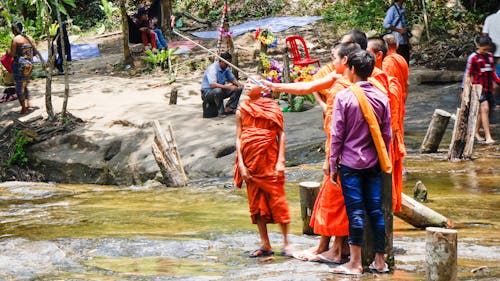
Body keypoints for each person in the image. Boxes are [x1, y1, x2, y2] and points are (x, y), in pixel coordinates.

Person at [329, 50, 391, 275]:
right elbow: (386, 135)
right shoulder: (382, 97)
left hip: (350, 164)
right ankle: (380, 261)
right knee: (375, 211)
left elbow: (337, 135)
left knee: (355, 211)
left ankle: (355, 263)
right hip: (374, 163)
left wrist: (332, 165)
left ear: (352, 69)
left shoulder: (344, 97)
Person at [234, 79, 291, 258]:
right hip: (250, 163)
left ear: (262, 88)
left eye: (253, 82)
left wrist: (281, 160)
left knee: (278, 201)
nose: (248, 85)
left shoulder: (272, 106)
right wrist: (241, 165)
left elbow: (281, 134)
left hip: (270, 160)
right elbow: (238, 138)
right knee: (256, 205)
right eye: (247, 82)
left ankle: (287, 243)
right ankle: (265, 243)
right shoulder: (241, 109)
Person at [367, 37, 405, 213]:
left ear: (379, 55)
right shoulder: (401, 59)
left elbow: (390, 91)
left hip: (391, 125)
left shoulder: (389, 68)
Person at [465, 36, 499, 144]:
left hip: (488, 87)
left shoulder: (489, 56)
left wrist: (498, 82)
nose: (485, 51)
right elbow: (468, 75)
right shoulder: (473, 58)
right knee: (485, 109)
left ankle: (475, 132)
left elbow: (492, 72)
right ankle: (488, 136)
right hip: (478, 88)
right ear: (478, 46)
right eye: (483, 49)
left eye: (487, 49)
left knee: (482, 112)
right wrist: (466, 90)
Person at [201, 52, 242, 117]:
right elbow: (213, 85)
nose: (227, 65)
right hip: (208, 93)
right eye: (226, 64)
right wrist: (229, 88)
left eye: (229, 64)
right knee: (218, 90)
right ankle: (221, 112)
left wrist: (239, 85)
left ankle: (230, 107)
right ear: (221, 61)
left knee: (239, 88)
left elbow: (232, 78)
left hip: (220, 90)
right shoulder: (212, 68)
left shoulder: (226, 68)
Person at [8, 22, 36, 114]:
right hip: (29, 65)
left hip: (20, 65)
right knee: (25, 84)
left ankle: (24, 108)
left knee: (19, 87)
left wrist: (7, 52)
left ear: (15, 30)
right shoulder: (30, 38)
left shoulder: (16, 39)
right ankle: (27, 104)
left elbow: (12, 54)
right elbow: (35, 53)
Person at [383, 34, 409, 103]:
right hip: (401, 97)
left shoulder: (387, 62)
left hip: (393, 99)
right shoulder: (402, 59)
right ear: (397, 45)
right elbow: (407, 83)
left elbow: (387, 85)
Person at [482, 3, 500, 106]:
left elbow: (484, 35)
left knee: (494, 79)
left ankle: (494, 102)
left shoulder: (489, 19)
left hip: (493, 54)